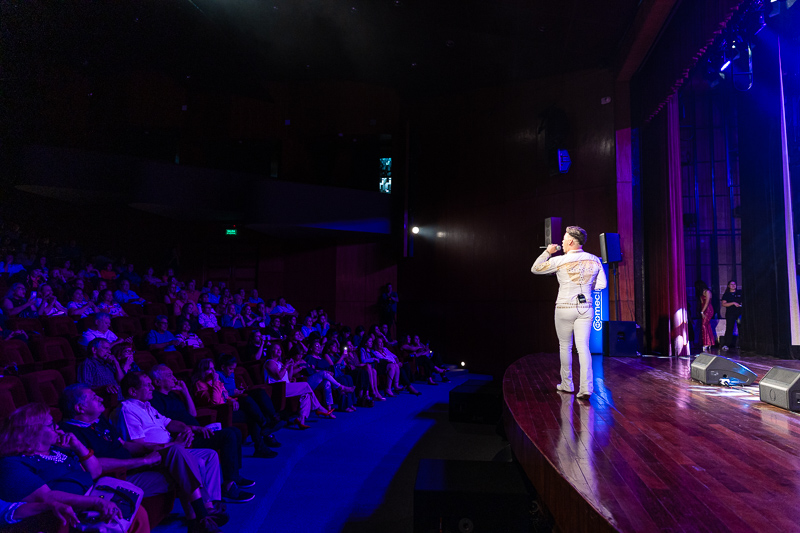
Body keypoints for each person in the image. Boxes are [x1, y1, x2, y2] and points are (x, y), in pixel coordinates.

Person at [0, 403, 150, 532]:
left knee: (133, 508)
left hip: (95, 495)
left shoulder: (58, 449)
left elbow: (95, 472)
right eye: (51, 424)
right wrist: (96, 503)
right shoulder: (13, 464)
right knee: (133, 515)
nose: (57, 427)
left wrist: (78, 446)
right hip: (69, 514)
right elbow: (47, 497)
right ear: (33, 432)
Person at [114, 372, 228, 531]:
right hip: (156, 455)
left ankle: (211, 505)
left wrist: (187, 428)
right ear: (133, 391)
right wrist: (174, 444)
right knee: (194, 460)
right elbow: (137, 444)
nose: (152, 387)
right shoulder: (127, 409)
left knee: (210, 455)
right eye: (147, 385)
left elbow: (168, 422)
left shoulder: (147, 406)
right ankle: (199, 515)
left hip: (172, 449)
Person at [148, 365, 256, 504]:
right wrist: (193, 429)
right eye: (169, 375)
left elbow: (193, 413)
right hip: (186, 437)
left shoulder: (173, 395)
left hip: (198, 430)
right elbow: (164, 425)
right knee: (228, 435)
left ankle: (235, 476)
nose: (174, 377)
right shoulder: (155, 399)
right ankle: (229, 485)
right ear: (157, 382)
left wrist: (185, 391)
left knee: (235, 431)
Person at [531, 226, 607, 400]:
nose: (562, 243)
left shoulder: (560, 260)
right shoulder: (595, 259)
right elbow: (602, 285)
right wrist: (586, 288)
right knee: (583, 347)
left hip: (564, 307)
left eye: (564, 239)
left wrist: (548, 252)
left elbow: (535, 268)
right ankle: (586, 387)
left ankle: (567, 384)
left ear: (572, 241)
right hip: (586, 307)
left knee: (565, 346)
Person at [263, 344, 330, 429]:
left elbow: (289, 377)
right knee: (305, 385)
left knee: (306, 395)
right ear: (271, 351)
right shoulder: (270, 362)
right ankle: (319, 408)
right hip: (278, 389)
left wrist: (290, 367)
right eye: (276, 349)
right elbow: (278, 377)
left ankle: (300, 420)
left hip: (286, 386)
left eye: (280, 349)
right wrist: (286, 366)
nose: (279, 350)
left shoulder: (279, 363)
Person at [720, 280, 742, 351]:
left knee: (741, 328)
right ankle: (726, 344)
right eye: (731, 284)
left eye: (734, 284)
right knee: (729, 328)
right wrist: (733, 303)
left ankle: (741, 344)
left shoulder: (739, 292)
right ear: (728, 286)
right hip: (730, 313)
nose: (733, 285)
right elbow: (724, 304)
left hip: (739, 313)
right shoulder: (727, 294)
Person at [696, 280, 716, 352]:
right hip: (703, 310)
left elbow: (707, 303)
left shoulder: (707, 292)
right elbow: (702, 303)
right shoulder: (701, 293)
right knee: (706, 326)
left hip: (708, 310)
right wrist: (701, 311)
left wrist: (702, 311)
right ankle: (709, 342)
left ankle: (706, 343)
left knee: (704, 326)